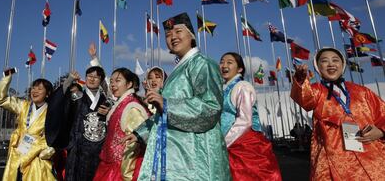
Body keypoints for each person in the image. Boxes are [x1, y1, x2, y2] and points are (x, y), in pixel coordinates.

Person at [122, 12, 231, 180]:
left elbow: (211, 106)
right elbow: (161, 113)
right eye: (168, 34)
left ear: (191, 35)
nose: (173, 37)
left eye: (178, 31)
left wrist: (168, 104)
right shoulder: (180, 68)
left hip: (196, 155)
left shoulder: (202, 64)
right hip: (177, 154)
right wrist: (140, 133)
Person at [292, 47, 385, 180]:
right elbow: (305, 99)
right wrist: (301, 79)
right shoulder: (317, 91)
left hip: (371, 153)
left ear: (342, 65)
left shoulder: (362, 92)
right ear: (318, 67)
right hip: (333, 156)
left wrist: (381, 131)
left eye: (335, 60)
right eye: (324, 61)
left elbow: (382, 113)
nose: (331, 64)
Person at [219, 52, 281, 181]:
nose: (224, 65)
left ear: (240, 69)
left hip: (243, 144)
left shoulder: (243, 87)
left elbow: (245, 120)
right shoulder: (225, 88)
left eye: (229, 62)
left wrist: (223, 143)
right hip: (230, 142)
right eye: (222, 62)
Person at [0, 72, 55, 181]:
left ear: (47, 93)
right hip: (19, 152)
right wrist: (6, 79)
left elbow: (55, 136)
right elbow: (1, 100)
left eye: (40, 89)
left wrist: (47, 151)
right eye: (33, 88)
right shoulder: (23, 106)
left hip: (36, 156)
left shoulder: (52, 112)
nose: (35, 91)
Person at [93, 68, 149, 181]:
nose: (113, 84)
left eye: (118, 80)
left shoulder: (132, 107)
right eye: (112, 81)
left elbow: (134, 143)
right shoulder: (121, 104)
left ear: (129, 84)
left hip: (120, 170)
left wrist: (127, 174)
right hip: (109, 166)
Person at [63, 67, 111, 181]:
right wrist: (70, 79)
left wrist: (109, 112)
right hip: (78, 149)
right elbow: (63, 94)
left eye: (96, 77)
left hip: (99, 150)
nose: (92, 79)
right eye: (89, 76)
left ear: (101, 80)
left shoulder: (107, 101)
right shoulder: (77, 95)